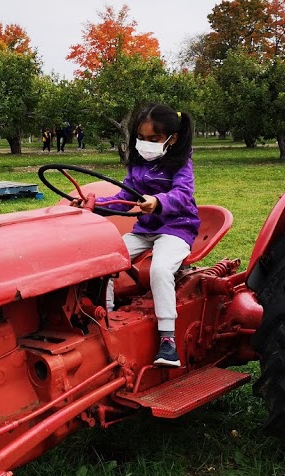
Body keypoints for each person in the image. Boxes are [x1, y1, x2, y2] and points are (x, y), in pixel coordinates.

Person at [79, 103, 199, 367]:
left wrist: (158, 201)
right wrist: (94, 205)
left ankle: (168, 341)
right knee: (106, 260)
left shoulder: (181, 164)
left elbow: (182, 194)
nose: (146, 144)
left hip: (177, 228)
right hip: (146, 230)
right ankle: (106, 318)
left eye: (153, 139)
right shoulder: (138, 165)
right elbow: (124, 196)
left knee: (159, 270)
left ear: (172, 139)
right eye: (141, 139)